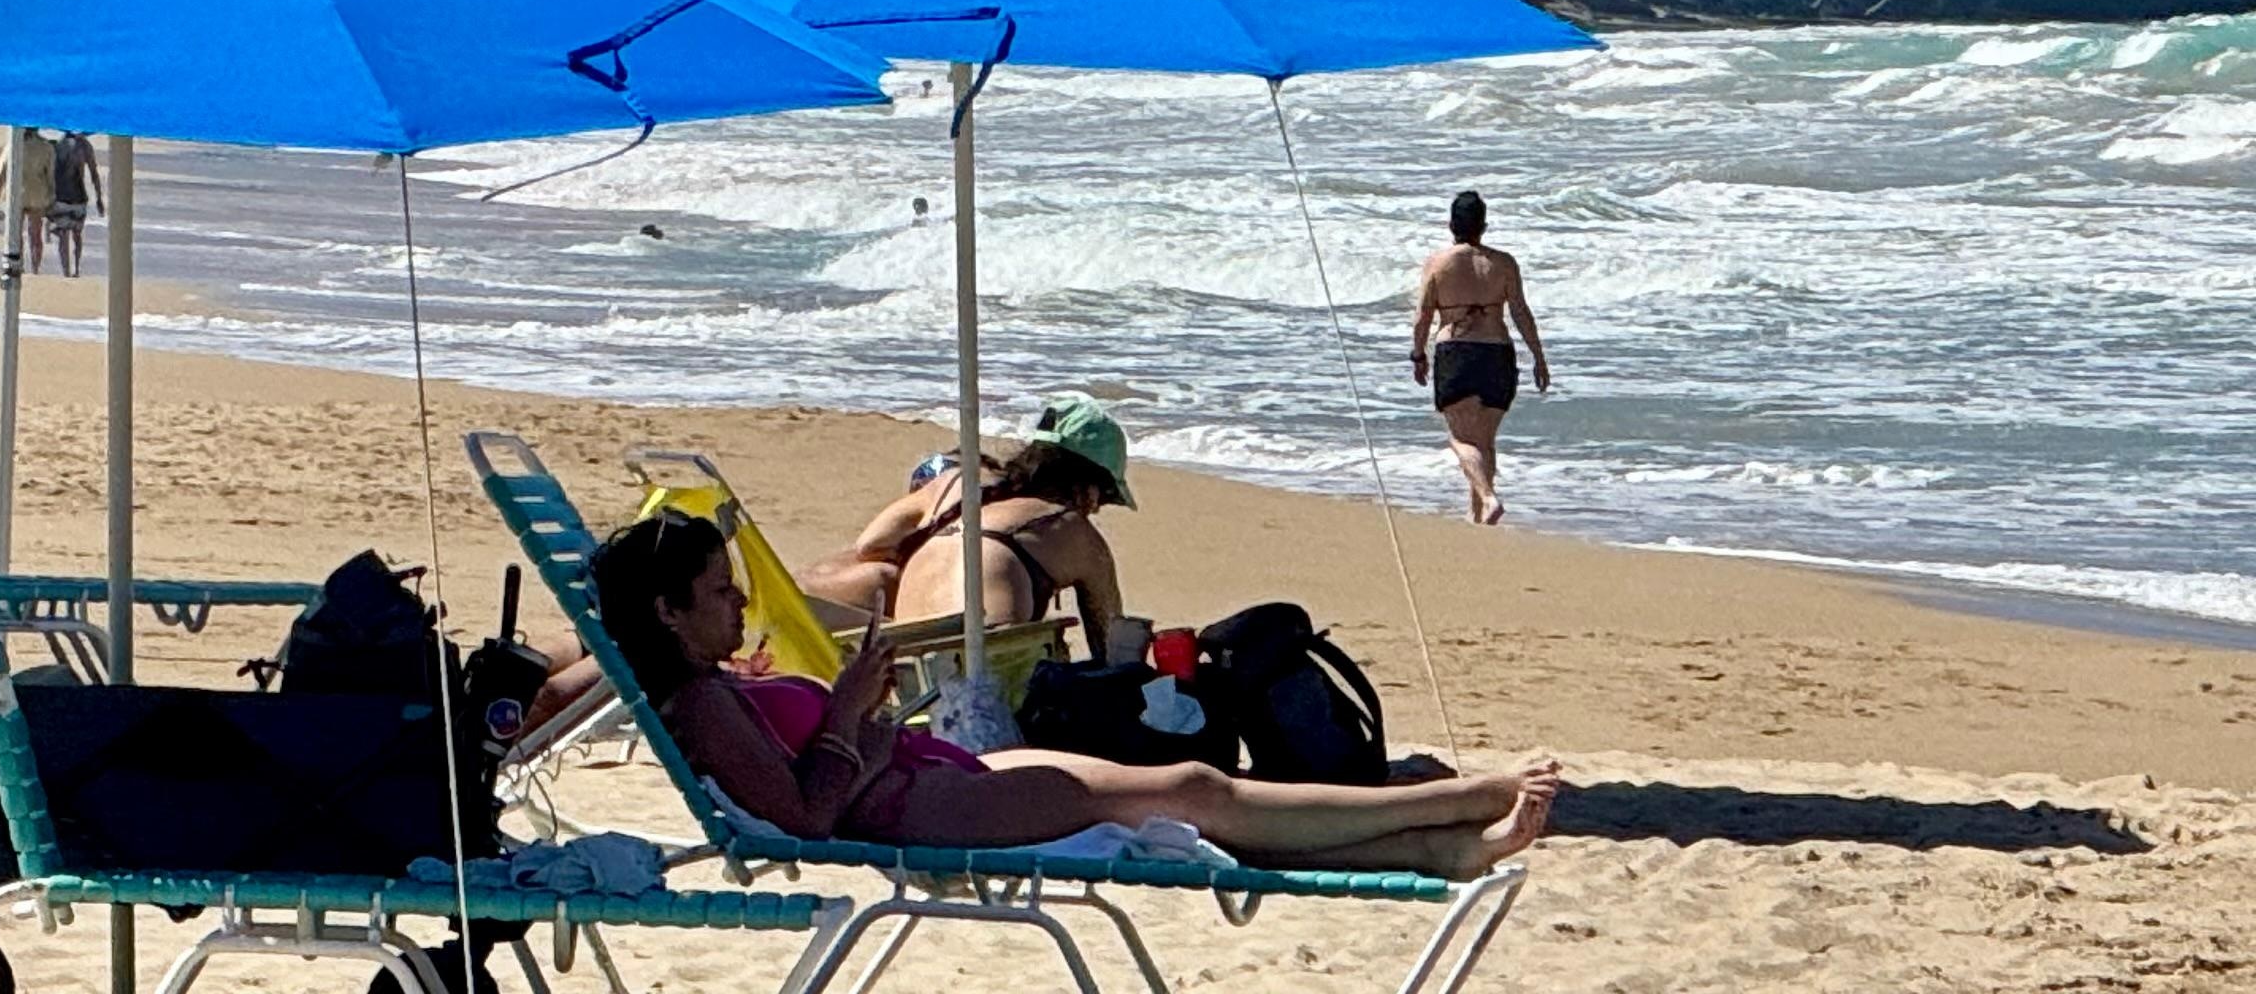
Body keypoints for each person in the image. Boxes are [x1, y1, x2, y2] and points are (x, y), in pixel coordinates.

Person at [599, 510, 1552, 877]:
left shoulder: (713, 685)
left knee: (1191, 800)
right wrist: (849, 715)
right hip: (920, 805)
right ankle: (1456, 804)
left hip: (933, 776)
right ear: (667, 613)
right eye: (719, 593)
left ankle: (1438, 843)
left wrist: (857, 719)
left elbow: (807, 773)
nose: (740, 604)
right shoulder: (704, 705)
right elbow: (806, 821)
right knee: (1190, 792)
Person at [800, 396, 1135, 658]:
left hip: (910, 676)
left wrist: (930, 562)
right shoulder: (1069, 528)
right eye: (1105, 497)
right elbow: (1112, 647)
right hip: (989, 683)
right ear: (1089, 488)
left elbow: (869, 544)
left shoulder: (952, 483)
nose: (1096, 508)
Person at [1410, 189, 1548, 527]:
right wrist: (1538, 356)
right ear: (1483, 226)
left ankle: (1487, 498)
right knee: (1484, 441)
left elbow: (1423, 316)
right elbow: (1521, 312)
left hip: (1457, 353)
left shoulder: (1438, 263)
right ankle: (1478, 518)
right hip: (1496, 352)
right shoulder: (1503, 263)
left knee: (1460, 438)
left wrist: (1418, 355)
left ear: (1451, 225)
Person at [45, 129, 97, 279]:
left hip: (61, 196)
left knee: (63, 236)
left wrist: (48, 197)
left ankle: (66, 271)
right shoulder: (85, 146)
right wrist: (99, 198)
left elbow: (50, 174)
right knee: (77, 235)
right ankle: (77, 268)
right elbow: (94, 173)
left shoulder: (57, 146)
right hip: (79, 196)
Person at [5, 127, 52, 273]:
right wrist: (51, 195)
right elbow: (50, 175)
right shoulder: (46, 147)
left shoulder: (14, 145)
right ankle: (35, 268)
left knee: (16, 233)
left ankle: (18, 265)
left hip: (18, 192)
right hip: (38, 193)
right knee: (35, 234)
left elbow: (2, 172)